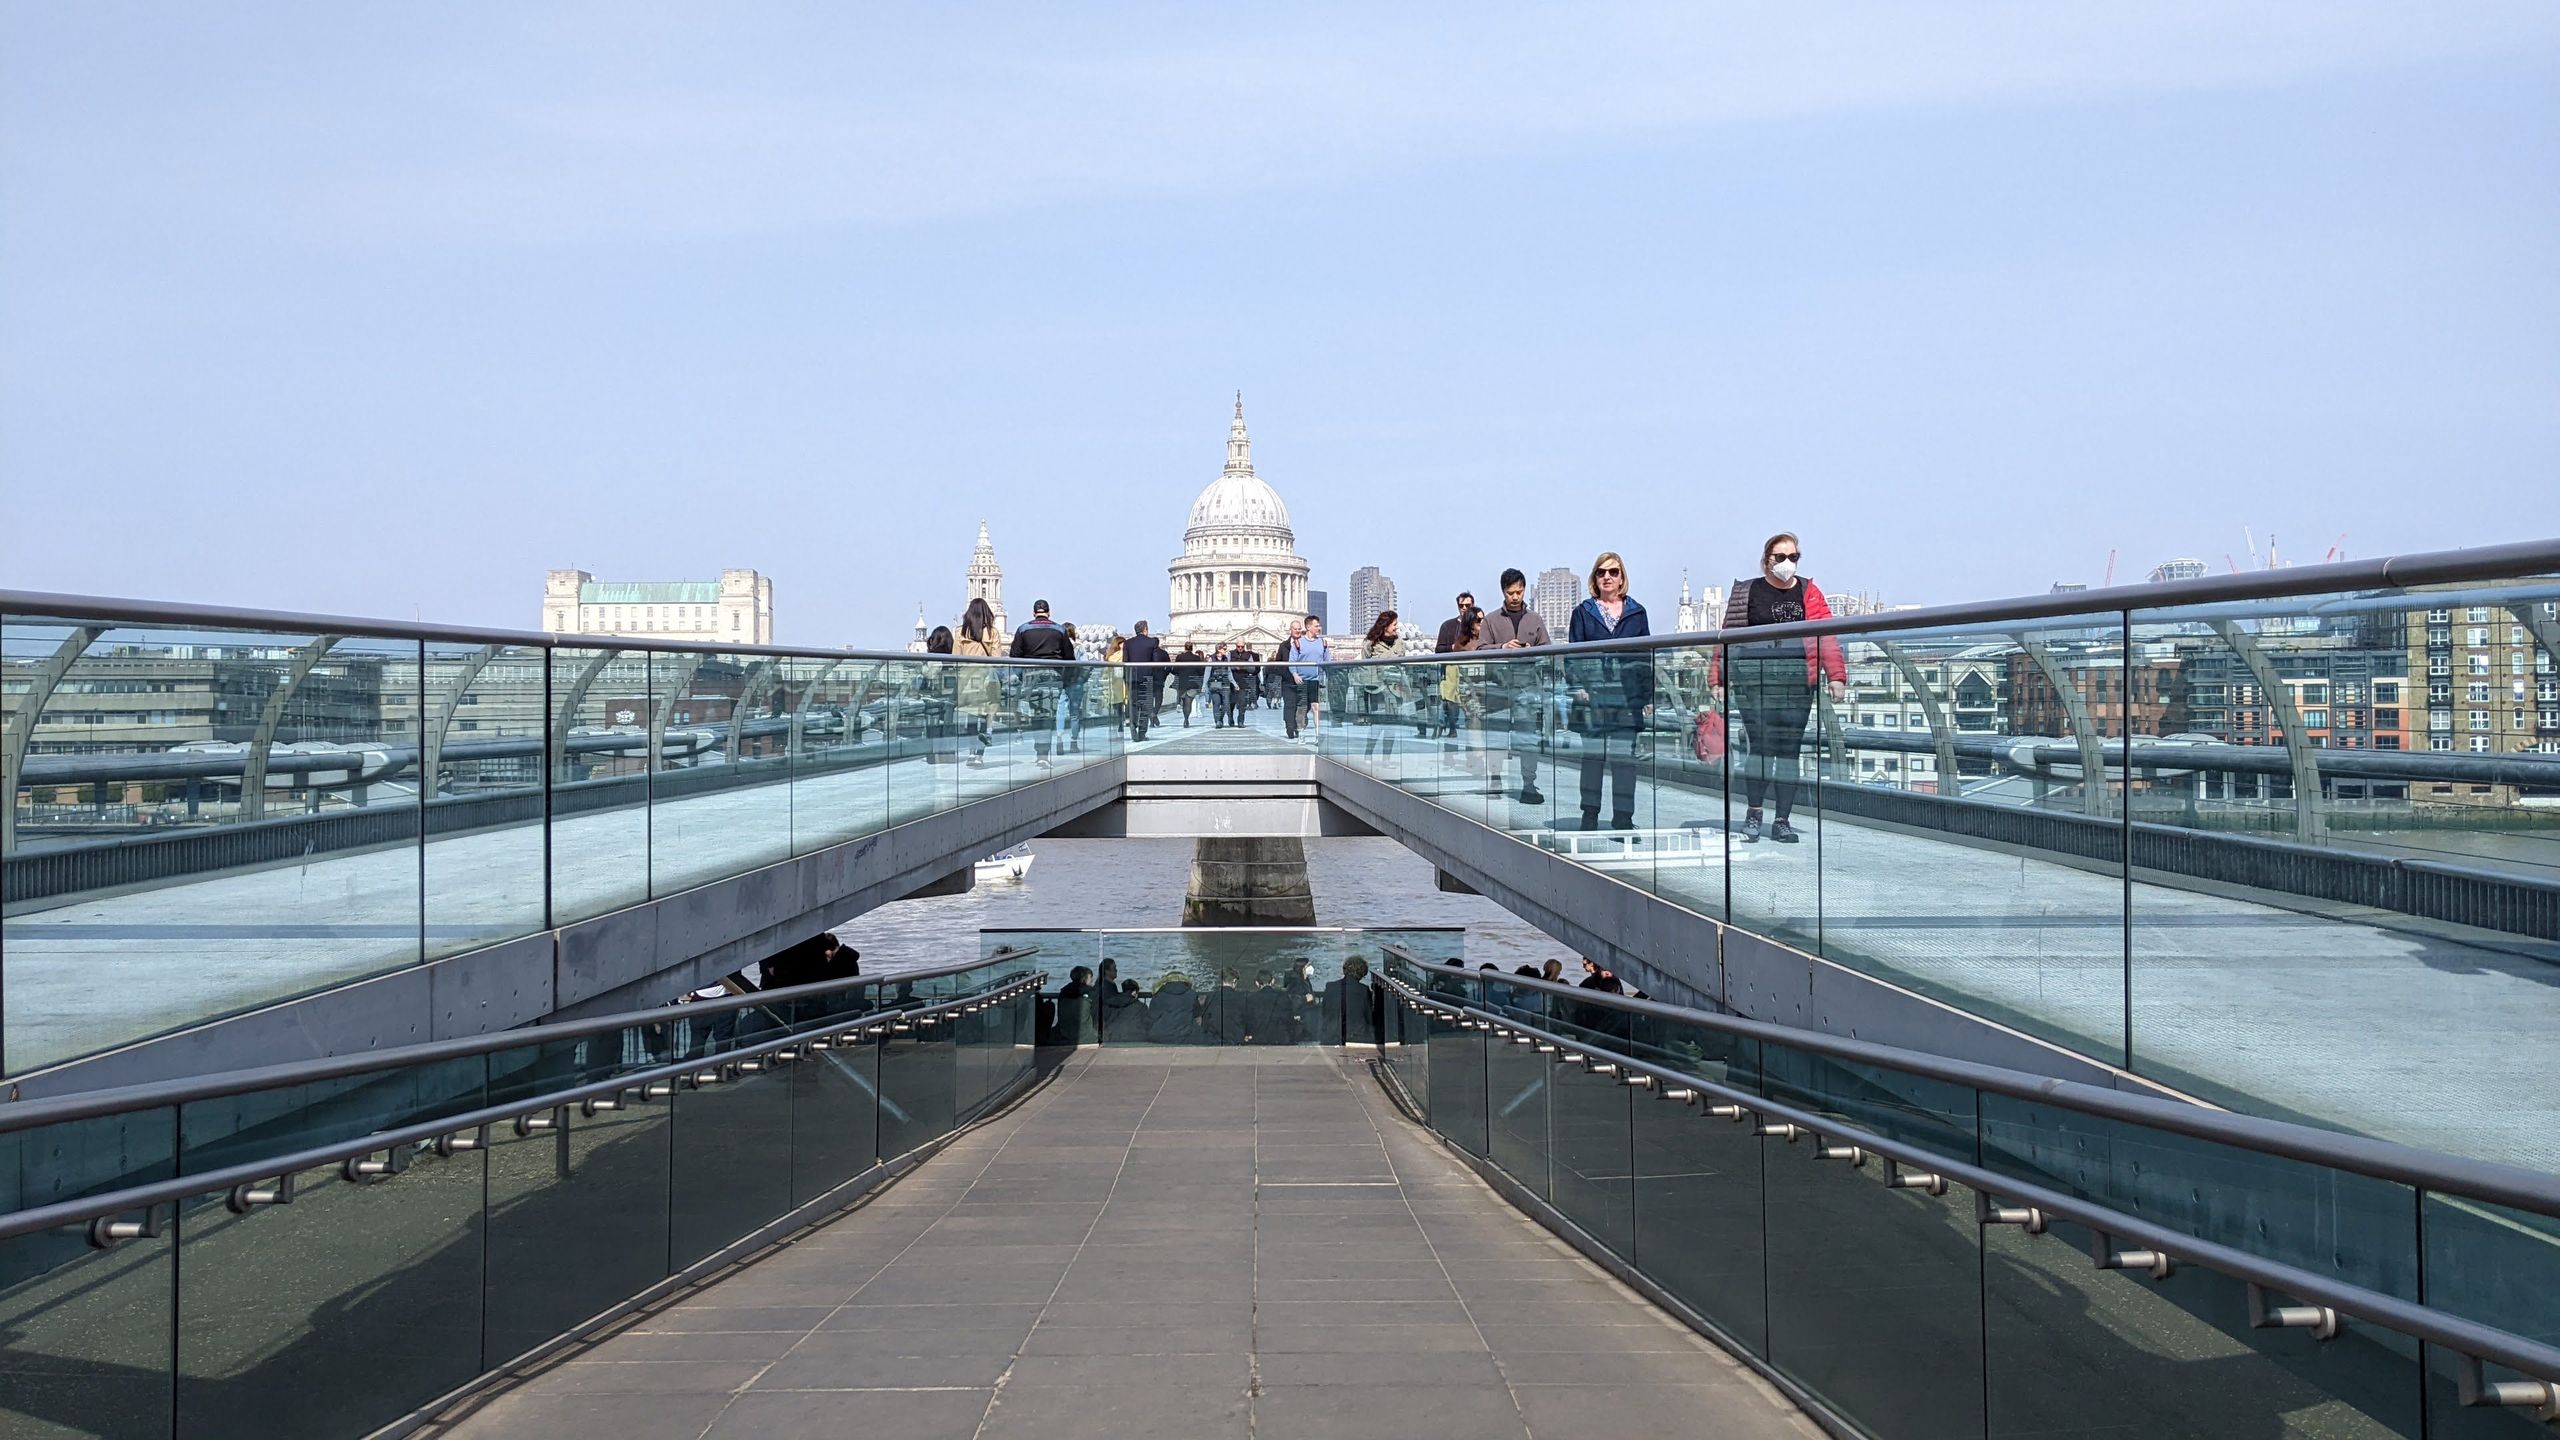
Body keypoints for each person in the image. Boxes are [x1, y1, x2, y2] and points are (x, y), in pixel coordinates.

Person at [1712, 532, 1847, 844]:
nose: (1787, 563)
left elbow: (1826, 635)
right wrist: (1718, 677)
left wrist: (1836, 676)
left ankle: (1783, 820)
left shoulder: (1809, 592)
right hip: (1753, 682)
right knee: (1760, 749)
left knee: (1789, 752)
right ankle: (1754, 813)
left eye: (1793, 557)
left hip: (1797, 684)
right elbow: (1728, 636)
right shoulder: (1747, 592)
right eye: (1780, 557)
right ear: (1766, 560)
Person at [1567, 550, 1655, 834]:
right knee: (1593, 758)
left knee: (1624, 761)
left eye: (1613, 572)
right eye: (1601, 572)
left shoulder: (1637, 612)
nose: (1607, 577)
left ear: (1621, 577)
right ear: (1595, 578)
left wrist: (1647, 697)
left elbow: (1645, 658)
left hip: (1626, 697)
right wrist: (1578, 687)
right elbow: (1572, 654)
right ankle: (1589, 815)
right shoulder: (1583, 612)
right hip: (1592, 697)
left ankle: (1623, 818)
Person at [1478, 569, 1553, 808]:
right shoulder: (1490, 620)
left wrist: (1531, 650)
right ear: (1503, 592)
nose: (1515, 597)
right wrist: (1502, 647)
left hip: (1528, 687)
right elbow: (1479, 650)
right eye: (1511, 593)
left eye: (1519, 592)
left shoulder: (1535, 619)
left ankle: (1528, 784)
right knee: (1497, 737)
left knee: (1528, 739)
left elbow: (1549, 652)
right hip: (1498, 687)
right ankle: (1494, 779)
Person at [1009, 600, 1073, 766]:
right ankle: (1044, 753)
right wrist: (1068, 678)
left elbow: (1015, 656)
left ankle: (1040, 751)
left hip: (1031, 678)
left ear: (1034, 612)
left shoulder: (1023, 629)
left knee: (1037, 714)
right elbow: (1069, 657)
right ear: (1049, 612)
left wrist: (1019, 678)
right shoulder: (1060, 630)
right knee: (1049, 714)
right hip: (1054, 677)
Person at [956, 598, 1004, 765]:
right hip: (985, 678)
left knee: (970, 718)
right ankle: (979, 755)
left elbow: (955, 659)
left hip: (967, 679)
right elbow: (997, 659)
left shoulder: (960, 633)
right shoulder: (993, 633)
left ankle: (970, 752)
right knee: (984, 718)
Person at [1359, 610, 1403, 756]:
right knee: (1377, 724)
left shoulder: (1398, 642)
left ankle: (1386, 759)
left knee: (1391, 727)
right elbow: (1365, 666)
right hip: (1377, 690)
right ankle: (1368, 754)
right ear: (1385, 625)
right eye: (1394, 624)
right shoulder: (1370, 643)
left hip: (1395, 689)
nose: (1396, 628)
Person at [1438, 604, 1481, 738]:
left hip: (1482, 691)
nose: (1483, 623)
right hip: (1468, 692)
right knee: (1474, 730)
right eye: (1478, 621)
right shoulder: (1461, 644)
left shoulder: (1486, 641)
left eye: (1467, 605)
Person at [1122, 622, 1168, 740]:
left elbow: (1125, 662)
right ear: (1145, 630)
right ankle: (1142, 732)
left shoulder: (1128, 643)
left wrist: (1125, 679)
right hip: (1146, 678)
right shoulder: (1152, 642)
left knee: (1133, 704)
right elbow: (1155, 662)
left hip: (1132, 678)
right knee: (1145, 706)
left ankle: (1133, 727)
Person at [1286, 615, 1328, 741]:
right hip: (1302, 680)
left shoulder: (1323, 643)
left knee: (1316, 707)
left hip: (1316, 679)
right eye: (1316, 626)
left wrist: (1324, 676)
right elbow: (1291, 661)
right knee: (1302, 707)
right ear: (1308, 627)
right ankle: (1301, 733)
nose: (1319, 628)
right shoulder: (1298, 643)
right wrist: (1295, 674)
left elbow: (1327, 661)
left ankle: (1317, 734)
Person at [1172, 641, 1206, 727]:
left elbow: (1175, 670)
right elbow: (1201, 671)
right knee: (1189, 702)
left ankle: (1185, 718)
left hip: (1183, 682)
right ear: (1192, 648)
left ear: (1185, 647)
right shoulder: (1197, 658)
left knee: (1184, 701)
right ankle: (1186, 719)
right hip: (1193, 682)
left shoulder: (1180, 657)